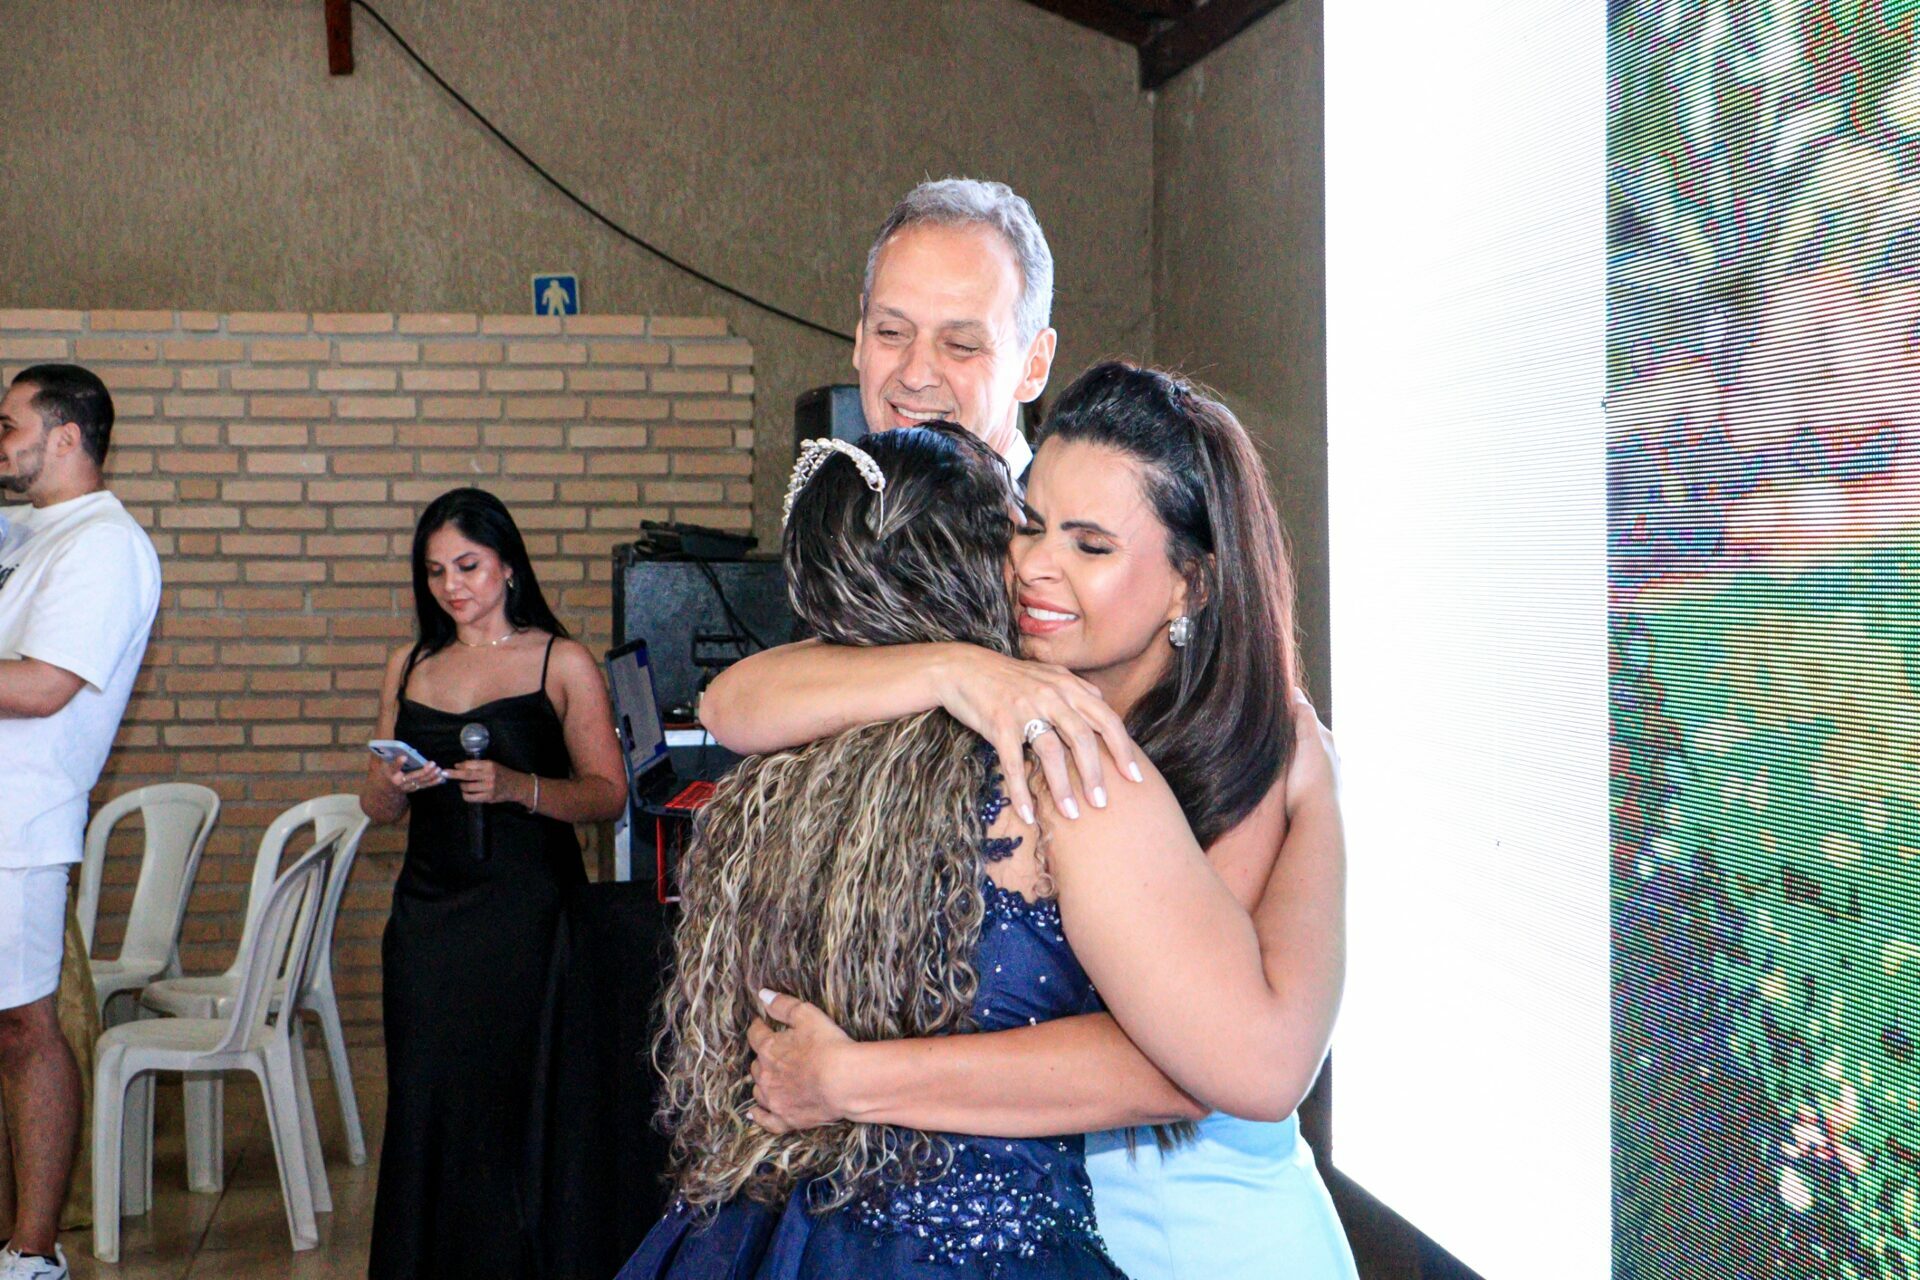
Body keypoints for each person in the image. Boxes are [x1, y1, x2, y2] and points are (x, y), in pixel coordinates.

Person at [620, 421, 1321, 1280]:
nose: (1036, 565)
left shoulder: (804, 771)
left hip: (809, 1235)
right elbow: (731, 699)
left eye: (1089, 543)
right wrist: (956, 669)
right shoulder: (1058, 768)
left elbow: (1230, 1062)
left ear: (1191, 582)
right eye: (1027, 528)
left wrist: (1319, 800)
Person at [360, 487, 625, 1280]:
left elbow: (608, 794)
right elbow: (375, 808)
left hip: (526, 918)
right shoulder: (409, 664)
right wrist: (392, 785)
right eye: (435, 571)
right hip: (428, 920)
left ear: (508, 565)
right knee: (427, 1100)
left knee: (517, 1106)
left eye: (468, 566)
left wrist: (520, 788)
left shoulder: (560, 661)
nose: (452, 586)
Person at [0, 365, 162, 1280]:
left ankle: (34, 1254)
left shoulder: (104, 544)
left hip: (18, 826)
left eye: (8, 425)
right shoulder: (29, 531)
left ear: (66, 437)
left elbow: (43, 685)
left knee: (26, 1029)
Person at [852, 178, 1059, 477]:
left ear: (1034, 366)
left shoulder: (1071, 507)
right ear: (861, 336)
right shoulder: (822, 504)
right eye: (891, 333)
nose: (915, 376)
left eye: (961, 345)